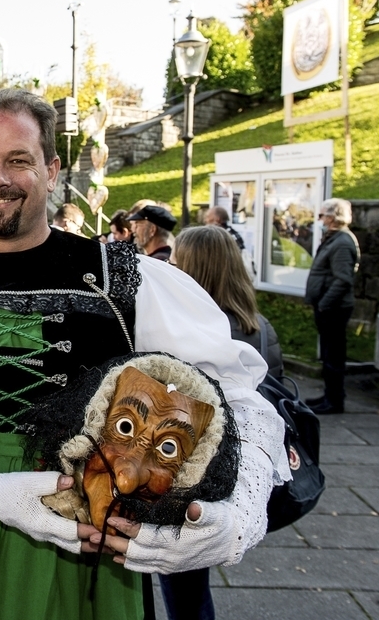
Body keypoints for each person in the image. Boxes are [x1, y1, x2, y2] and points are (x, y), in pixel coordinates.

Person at [0, 88, 288, 620]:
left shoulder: (128, 281)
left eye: (19, 161)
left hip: (84, 549)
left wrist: (239, 517)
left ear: (53, 169)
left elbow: (241, 403)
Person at [160, 224, 286, 620]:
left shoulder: (199, 334)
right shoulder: (256, 324)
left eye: (176, 260)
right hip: (238, 467)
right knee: (191, 590)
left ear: (195, 270)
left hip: (198, 475)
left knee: (184, 588)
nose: (170, 266)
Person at [175, 226, 283, 379]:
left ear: (189, 272)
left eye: (171, 263)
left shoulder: (190, 333)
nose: (166, 269)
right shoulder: (262, 326)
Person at [303, 197, 360, 415]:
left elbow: (343, 279)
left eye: (324, 214)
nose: (321, 219)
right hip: (328, 306)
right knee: (329, 354)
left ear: (334, 216)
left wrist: (325, 303)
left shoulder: (342, 242)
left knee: (334, 354)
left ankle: (335, 399)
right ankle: (329, 395)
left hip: (334, 308)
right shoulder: (334, 238)